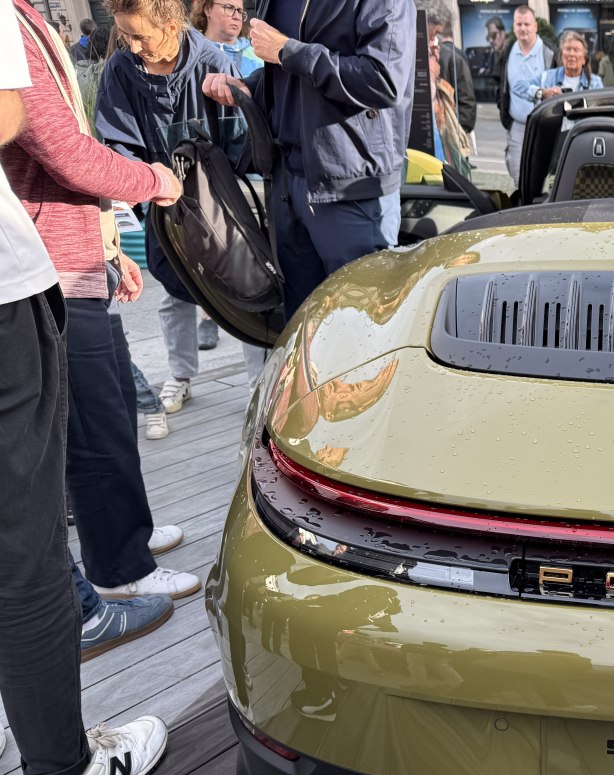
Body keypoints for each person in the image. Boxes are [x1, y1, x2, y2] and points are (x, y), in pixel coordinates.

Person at [0, 0, 170, 775]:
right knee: (24, 546)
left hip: (59, 255)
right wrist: (148, 184)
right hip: (10, 286)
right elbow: (24, 121)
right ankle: (62, 774)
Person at [4, 0, 201, 604]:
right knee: (96, 425)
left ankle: (127, 539)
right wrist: (153, 180)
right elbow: (65, 150)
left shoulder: (24, 16)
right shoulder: (10, 23)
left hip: (76, 254)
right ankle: (120, 570)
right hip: (51, 267)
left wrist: (109, 248)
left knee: (112, 404)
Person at [200, 0, 415, 321]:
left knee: (362, 325)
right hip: (287, 184)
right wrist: (249, 87)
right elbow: (290, 77)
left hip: (350, 190)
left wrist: (289, 51)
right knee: (303, 327)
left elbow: (383, 80)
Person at [98, 0, 240, 403]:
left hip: (219, 208)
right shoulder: (121, 69)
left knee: (246, 291)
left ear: (174, 25)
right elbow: (115, 143)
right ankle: (180, 375)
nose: (132, 45)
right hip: (160, 208)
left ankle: (258, 383)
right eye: (125, 34)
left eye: (140, 35)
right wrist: (147, 181)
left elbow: (239, 142)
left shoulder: (213, 62)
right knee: (174, 292)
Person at [493, 6, 553, 182]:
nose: (523, 28)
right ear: (513, 27)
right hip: (517, 127)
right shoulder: (508, 50)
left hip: (543, 126)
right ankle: (522, 207)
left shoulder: (548, 52)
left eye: (527, 24)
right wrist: (505, 117)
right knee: (518, 176)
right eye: (519, 24)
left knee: (543, 176)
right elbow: (501, 84)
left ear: (535, 26)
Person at [432, 7, 475, 134]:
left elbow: (466, 100)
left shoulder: (452, 58)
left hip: (449, 131)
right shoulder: (456, 56)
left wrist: (457, 131)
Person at [192, 0, 261, 76]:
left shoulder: (258, 57)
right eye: (229, 8)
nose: (237, 17)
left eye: (240, 11)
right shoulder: (189, 52)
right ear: (208, 9)